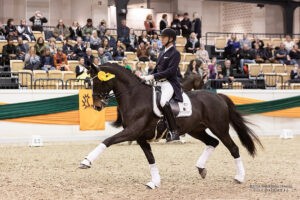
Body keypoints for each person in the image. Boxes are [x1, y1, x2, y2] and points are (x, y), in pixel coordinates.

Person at [141, 28, 182, 142]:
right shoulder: (162, 52)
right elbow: (156, 69)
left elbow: (170, 72)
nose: (161, 39)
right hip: (158, 82)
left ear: (171, 39)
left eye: (164, 37)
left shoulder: (175, 53)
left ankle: (174, 132)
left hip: (169, 83)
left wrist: (153, 76)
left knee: (163, 102)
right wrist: (147, 76)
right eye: (161, 37)